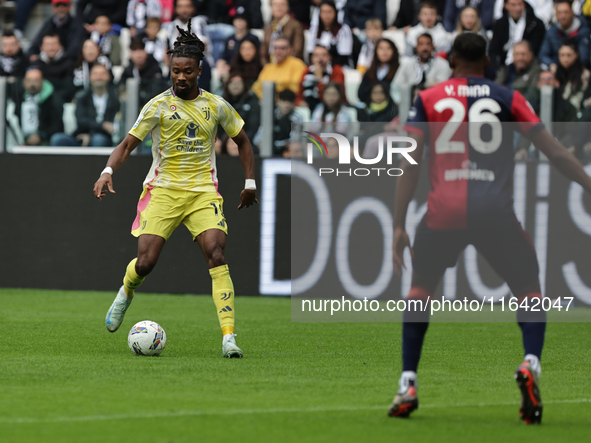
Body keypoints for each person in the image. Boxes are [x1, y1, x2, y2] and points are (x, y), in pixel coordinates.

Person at [388, 32, 591, 424]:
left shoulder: (427, 99)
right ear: (486, 62)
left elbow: (409, 164)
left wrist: (398, 224)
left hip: (441, 212)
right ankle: (530, 362)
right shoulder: (508, 98)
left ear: (449, 62)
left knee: (419, 290)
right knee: (529, 288)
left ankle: (408, 382)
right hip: (495, 213)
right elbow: (556, 152)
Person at [93, 22, 258, 358]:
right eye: (175, 71)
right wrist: (108, 170)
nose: (180, 77)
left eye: (187, 72)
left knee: (217, 253)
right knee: (146, 262)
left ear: (199, 71)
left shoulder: (216, 106)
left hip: (202, 192)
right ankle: (126, 291)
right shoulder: (157, 106)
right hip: (164, 191)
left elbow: (242, 141)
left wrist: (249, 182)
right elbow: (127, 144)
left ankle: (229, 338)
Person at [51, 64, 119, 147]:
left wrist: (91, 135)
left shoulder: (116, 99)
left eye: (102, 73)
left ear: (109, 77)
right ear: (89, 77)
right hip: (81, 135)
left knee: (98, 140)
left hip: (106, 138)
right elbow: (81, 120)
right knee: (57, 139)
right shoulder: (82, 98)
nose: (99, 77)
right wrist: (102, 125)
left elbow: (116, 122)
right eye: (95, 74)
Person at [7, 67, 64, 146]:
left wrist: (41, 136)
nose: (32, 84)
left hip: (45, 140)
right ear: (24, 82)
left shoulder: (53, 99)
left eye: (36, 80)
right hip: (19, 138)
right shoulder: (18, 98)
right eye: (29, 81)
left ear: (42, 81)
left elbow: (57, 126)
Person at [489, 0, 546, 73]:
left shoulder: (536, 24)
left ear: (524, 4)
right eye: (513, 5)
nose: (517, 8)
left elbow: (536, 50)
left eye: (520, 4)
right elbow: (494, 50)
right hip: (503, 67)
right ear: (506, 5)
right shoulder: (499, 24)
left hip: (528, 68)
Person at [392, 33, 451, 103]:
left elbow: (444, 89)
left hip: (434, 104)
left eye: (428, 44)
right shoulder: (407, 64)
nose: (425, 48)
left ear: (433, 47)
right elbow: (395, 87)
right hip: (408, 104)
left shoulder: (443, 64)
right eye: (421, 44)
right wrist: (402, 104)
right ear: (416, 47)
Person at [538, 0, 590, 71]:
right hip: (557, 71)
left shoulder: (583, 30)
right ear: (556, 14)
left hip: (577, 71)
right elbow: (542, 55)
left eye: (566, 12)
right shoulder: (552, 31)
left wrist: (565, 65)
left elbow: (584, 58)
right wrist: (551, 64)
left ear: (572, 13)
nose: (563, 16)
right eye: (560, 13)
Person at [216, 74, 260, 155]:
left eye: (238, 83)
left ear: (244, 85)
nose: (235, 86)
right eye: (232, 83)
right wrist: (222, 140)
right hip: (224, 142)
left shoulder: (253, 102)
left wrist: (239, 140)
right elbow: (216, 126)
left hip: (247, 141)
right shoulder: (220, 103)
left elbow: (253, 127)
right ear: (227, 85)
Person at [306, 0, 354, 68]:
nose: (327, 15)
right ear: (319, 14)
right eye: (324, 12)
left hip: (338, 67)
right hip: (317, 67)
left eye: (329, 12)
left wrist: (326, 63)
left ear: (335, 13)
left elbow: (344, 57)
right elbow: (310, 54)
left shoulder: (343, 30)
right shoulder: (314, 30)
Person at [298, 44, 345, 111]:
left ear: (329, 57)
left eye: (324, 55)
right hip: (310, 108)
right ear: (312, 58)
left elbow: (334, 97)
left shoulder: (337, 70)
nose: (320, 59)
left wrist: (320, 78)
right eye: (316, 55)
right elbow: (299, 94)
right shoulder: (307, 71)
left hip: (334, 109)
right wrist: (300, 102)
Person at [261, 0, 305, 64]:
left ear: (288, 7)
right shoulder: (267, 28)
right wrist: (267, 67)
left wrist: (281, 65)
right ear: (271, 7)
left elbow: (297, 51)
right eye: (275, 4)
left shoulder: (296, 26)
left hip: (290, 66)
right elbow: (263, 53)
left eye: (282, 4)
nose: (279, 7)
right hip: (271, 67)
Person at [358, 38, 400, 104]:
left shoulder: (399, 70)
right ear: (376, 51)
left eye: (388, 48)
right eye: (381, 48)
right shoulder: (370, 71)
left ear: (394, 51)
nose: (384, 51)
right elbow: (361, 94)